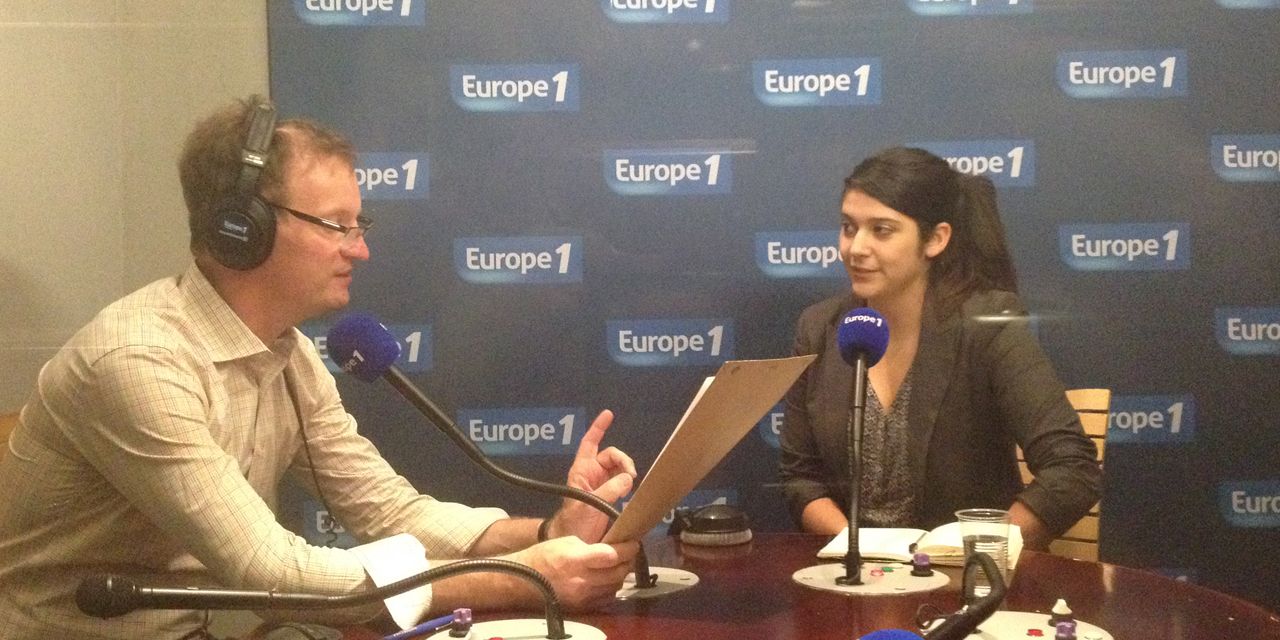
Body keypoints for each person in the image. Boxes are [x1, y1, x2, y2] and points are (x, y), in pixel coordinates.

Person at [0, 96, 639, 639]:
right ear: (241, 228)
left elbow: (388, 511)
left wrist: (546, 531)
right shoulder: (138, 362)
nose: (360, 250)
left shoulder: (290, 354)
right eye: (337, 225)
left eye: (359, 224)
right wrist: (520, 578)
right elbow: (271, 572)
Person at [778, 146, 1102, 550]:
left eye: (881, 230)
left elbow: (1073, 469)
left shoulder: (987, 326)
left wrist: (976, 552)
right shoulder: (819, 328)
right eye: (848, 227)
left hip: (965, 574)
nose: (856, 248)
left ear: (935, 239)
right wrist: (855, 550)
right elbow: (801, 478)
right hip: (854, 571)